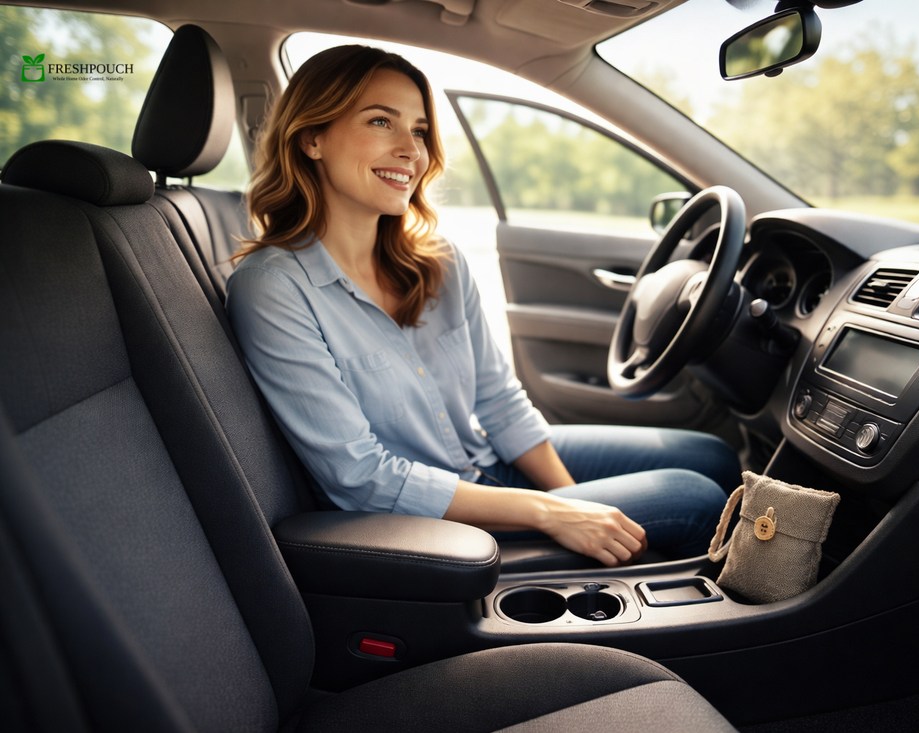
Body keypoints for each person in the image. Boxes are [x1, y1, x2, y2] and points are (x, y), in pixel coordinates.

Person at [225, 45, 739, 567]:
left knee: (713, 456)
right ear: (312, 138)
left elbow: (497, 400)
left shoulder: (438, 260)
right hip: (419, 523)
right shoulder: (272, 287)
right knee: (695, 500)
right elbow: (360, 478)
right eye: (382, 122)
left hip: (481, 463)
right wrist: (550, 513)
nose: (411, 150)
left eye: (420, 131)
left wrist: (577, 503)